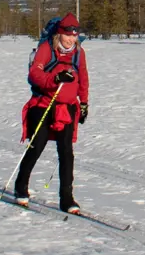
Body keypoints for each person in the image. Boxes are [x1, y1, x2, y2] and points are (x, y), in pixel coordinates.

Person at [15, 12, 89, 213]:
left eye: (74, 35)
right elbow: (35, 74)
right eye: (68, 35)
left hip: (67, 108)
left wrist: (84, 103)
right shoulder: (47, 48)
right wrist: (55, 80)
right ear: (60, 33)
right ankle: (21, 188)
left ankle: (67, 199)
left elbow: (83, 78)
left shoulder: (79, 53)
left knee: (66, 153)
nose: (71, 39)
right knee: (36, 146)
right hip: (44, 104)